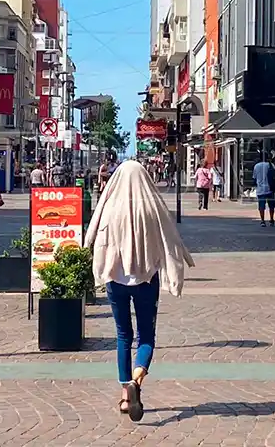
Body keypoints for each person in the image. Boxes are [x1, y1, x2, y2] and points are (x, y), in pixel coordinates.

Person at [85, 161, 195, 422]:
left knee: (123, 335)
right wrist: (179, 265)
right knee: (146, 335)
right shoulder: (151, 205)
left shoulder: (110, 205)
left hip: (115, 279)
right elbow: (170, 237)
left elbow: (94, 233)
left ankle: (126, 396)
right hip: (146, 280)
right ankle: (137, 380)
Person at [253, 153, 275, 227]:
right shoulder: (270, 165)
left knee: (261, 206)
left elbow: (254, 178)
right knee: (271, 206)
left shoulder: (256, 166)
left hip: (260, 189)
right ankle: (271, 219)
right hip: (270, 188)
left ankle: (262, 221)